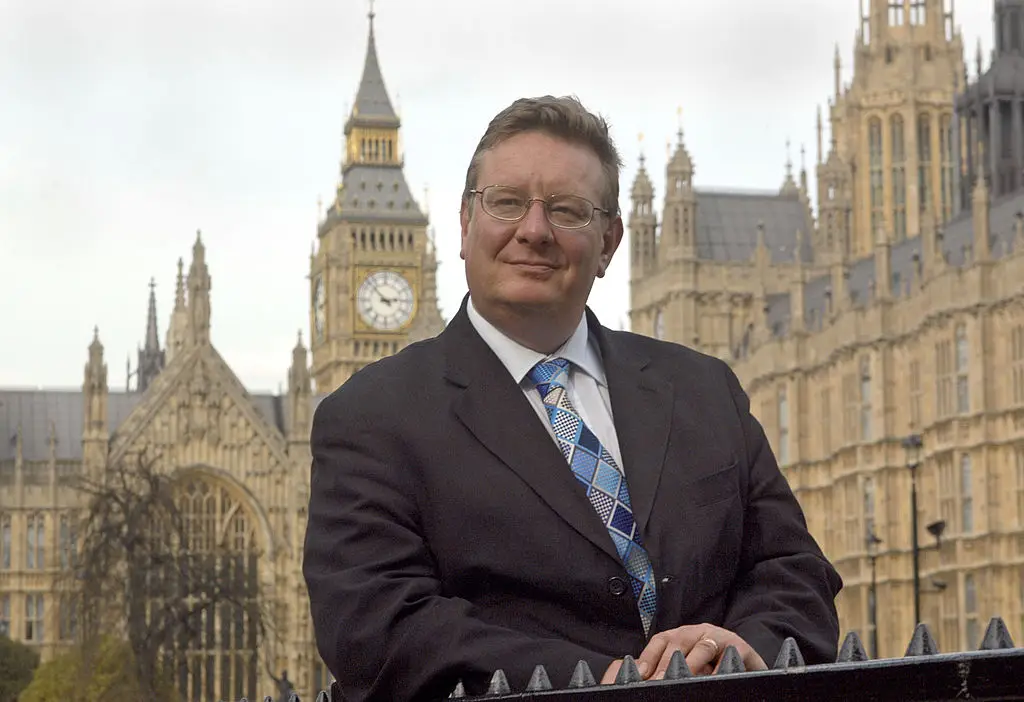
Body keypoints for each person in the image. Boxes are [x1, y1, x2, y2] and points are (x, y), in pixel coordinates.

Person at [303, 95, 843, 702]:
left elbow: (795, 576)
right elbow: (375, 629)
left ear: (610, 242)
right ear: (463, 225)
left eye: (567, 210)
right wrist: (608, 680)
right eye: (506, 203)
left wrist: (739, 650)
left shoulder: (703, 389)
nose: (533, 230)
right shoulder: (371, 416)